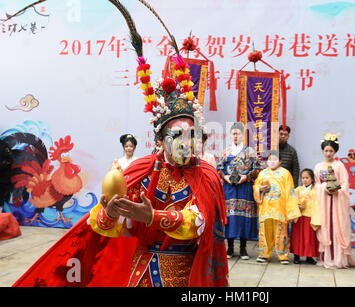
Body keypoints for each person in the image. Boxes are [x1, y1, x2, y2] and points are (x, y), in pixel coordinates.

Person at [13, 51, 228, 286]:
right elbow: (105, 226)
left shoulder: (205, 175)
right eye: (177, 135)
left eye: (193, 135)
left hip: (185, 272)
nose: (186, 142)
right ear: (160, 139)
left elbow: (198, 221)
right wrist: (113, 212)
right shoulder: (142, 171)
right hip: (140, 269)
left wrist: (151, 216)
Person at [217, 122, 259, 260]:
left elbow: (257, 169)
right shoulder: (226, 152)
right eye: (233, 133)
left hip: (244, 187)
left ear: (243, 135)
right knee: (229, 217)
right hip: (229, 188)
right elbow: (219, 169)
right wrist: (225, 176)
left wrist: (246, 176)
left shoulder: (250, 151)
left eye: (238, 133)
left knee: (243, 216)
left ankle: (243, 247)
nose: (236, 136)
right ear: (230, 135)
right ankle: (229, 247)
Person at [314, 133, 355, 269]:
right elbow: (317, 185)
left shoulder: (339, 166)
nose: (328, 153)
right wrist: (325, 187)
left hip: (337, 201)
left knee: (337, 227)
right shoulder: (319, 166)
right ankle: (326, 257)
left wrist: (337, 189)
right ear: (322, 151)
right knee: (325, 226)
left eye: (331, 151)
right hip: (324, 202)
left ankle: (338, 259)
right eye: (326, 150)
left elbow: (345, 184)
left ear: (335, 151)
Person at [253, 151, 300, 264]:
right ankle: (264, 254)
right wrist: (259, 189)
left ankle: (282, 255)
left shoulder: (285, 174)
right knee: (264, 232)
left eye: (275, 159)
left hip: (280, 207)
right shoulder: (262, 173)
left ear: (280, 162)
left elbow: (290, 191)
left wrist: (291, 209)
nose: (272, 162)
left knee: (281, 232)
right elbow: (255, 187)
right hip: (266, 207)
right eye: (270, 159)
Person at [290, 168, 320, 265]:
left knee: (309, 238)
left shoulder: (316, 190)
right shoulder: (297, 189)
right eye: (303, 178)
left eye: (307, 178)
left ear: (312, 179)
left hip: (309, 216)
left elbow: (317, 203)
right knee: (297, 238)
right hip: (298, 217)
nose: (305, 180)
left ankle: (309, 256)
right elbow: (292, 200)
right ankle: (296, 256)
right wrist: (297, 205)